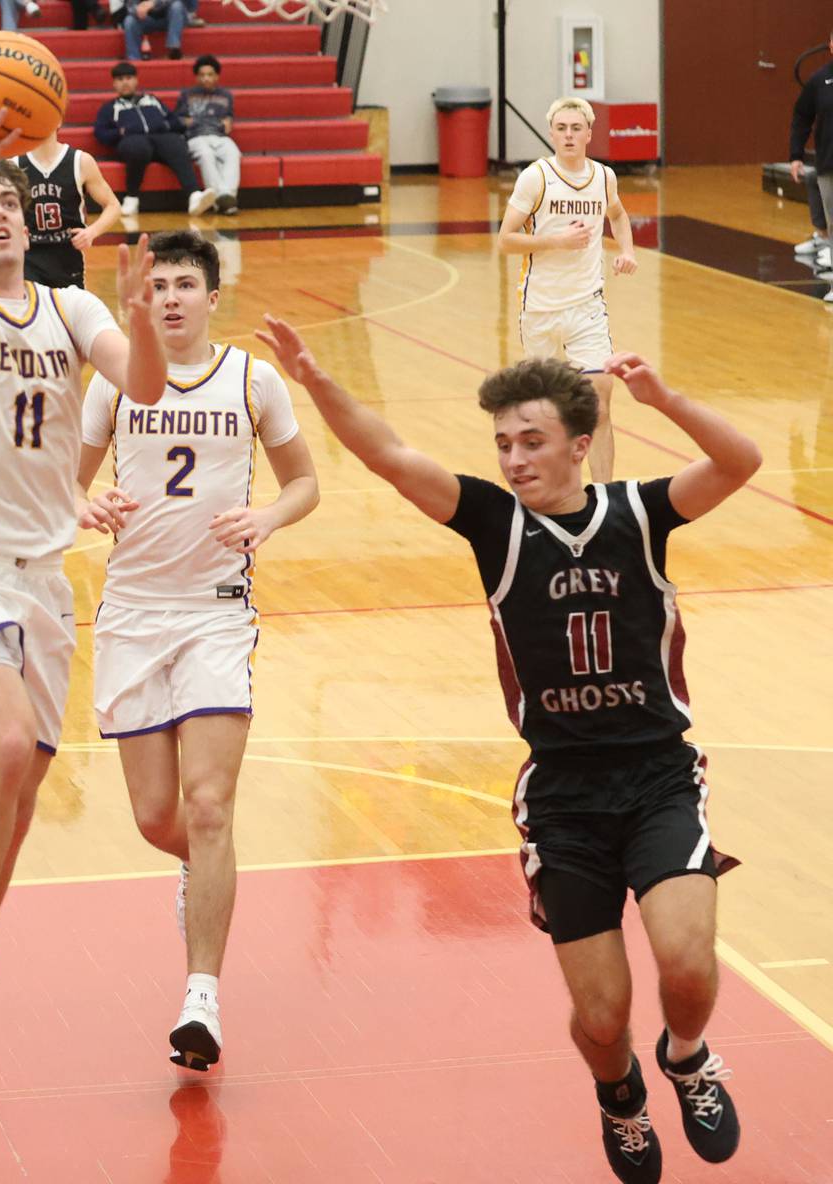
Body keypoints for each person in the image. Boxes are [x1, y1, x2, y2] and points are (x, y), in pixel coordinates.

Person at [260, 317, 757, 1184]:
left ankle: (687, 1055)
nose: (514, 458)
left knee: (685, 959)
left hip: (657, 776)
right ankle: (621, 1095)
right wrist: (315, 379)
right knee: (601, 1018)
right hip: (562, 796)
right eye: (502, 444)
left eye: (532, 441)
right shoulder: (494, 524)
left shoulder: (639, 512)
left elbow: (742, 461)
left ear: (579, 443)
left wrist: (666, 399)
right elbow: (389, 455)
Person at [0, 91, 167, 1099]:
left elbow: (138, 388)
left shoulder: (71, 308)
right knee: (2, 744)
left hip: (42, 579)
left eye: (13, 197)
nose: (3, 208)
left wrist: (140, 321)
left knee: (21, 788)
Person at [77, 230, 318, 1070]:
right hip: (132, 615)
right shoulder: (114, 386)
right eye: (163, 284)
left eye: (188, 283)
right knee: (158, 818)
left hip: (217, 611)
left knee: (210, 805)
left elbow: (305, 482)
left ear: (214, 297)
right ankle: (202, 870)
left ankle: (202, 999)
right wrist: (87, 500)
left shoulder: (254, 381)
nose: (174, 296)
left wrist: (268, 518)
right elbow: (67, 482)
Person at [496, 97, 636, 484]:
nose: (569, 135)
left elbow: (619, 214)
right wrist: (556, 241)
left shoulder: (604, 177)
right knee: (539, 413)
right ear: (552, 134)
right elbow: (505, 240)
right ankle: (546, 492)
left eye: (576, 128)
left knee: (599, 407)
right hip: (539, 309)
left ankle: (605, 499)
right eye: (562, 128)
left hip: (587, 308)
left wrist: (626, 250)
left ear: (589, 133)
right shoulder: (536, 178)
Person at [95, 62, 215, 218]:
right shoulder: (109, 108)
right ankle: (131, 198)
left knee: (176, 143)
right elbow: (101, 133)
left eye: (129, 78)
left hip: (160, 139)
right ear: (114, 84)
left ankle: (194, 195)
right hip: (131, 142)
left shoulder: (152, 100)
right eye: (120, 79)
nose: (125, 82)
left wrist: (164, 125)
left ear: (136, 80)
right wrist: (120, 132)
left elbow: (175, 122)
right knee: (138, 147)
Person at [15, 128, 122, 288]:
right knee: (34, 310)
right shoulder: (15, 164)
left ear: (59, 120)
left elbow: (113, 206)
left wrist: (91, 232)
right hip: (28, 256)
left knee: (67, 312)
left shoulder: (80, 161)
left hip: (68, 255)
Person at [789, 26, 833, 296]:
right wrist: (795, 155)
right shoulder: (820, 81)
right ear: (830, 46)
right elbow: (801, 116)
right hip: (829, 165)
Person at [175, 55, 239, 214]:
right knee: (206, 155)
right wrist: (188, 122)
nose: (206, 79)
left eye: (210, 75)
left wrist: (227, 122)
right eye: (202, 75)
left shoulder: (226, 96)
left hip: (219, 135)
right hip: (196, 136)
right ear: (196, 77)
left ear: (217, 76)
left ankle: (227, 196)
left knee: (233, 152)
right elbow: (179, 119)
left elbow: (228, 119)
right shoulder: (186, 95)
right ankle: (220, 200)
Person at [121, 0, 187, 62]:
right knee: (129, 20)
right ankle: (134, 60)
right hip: (146, 18)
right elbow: (129, 7)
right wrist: (137, 10)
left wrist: (154, 3)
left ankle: (174, 49)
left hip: (170, 18)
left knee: (177, 6)